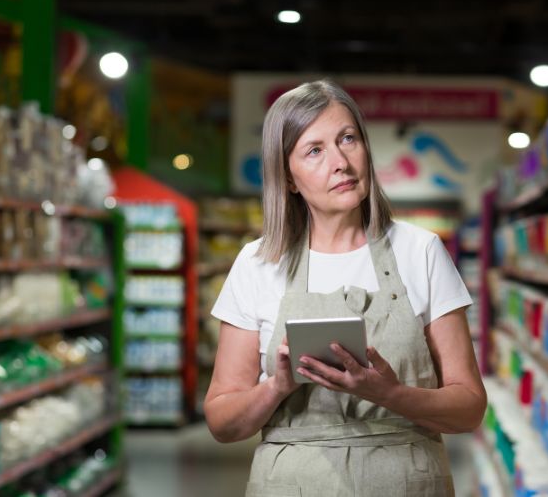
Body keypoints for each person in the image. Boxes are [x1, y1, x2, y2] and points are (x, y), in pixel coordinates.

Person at [205, 79, 486, 496]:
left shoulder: (420, 251)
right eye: (314, 150)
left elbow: (469, 409)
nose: (341, 162)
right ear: (289, 179)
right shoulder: (258, 263)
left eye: (348, 139)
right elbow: (222, 423)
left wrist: (390, 394)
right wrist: (277, 387)